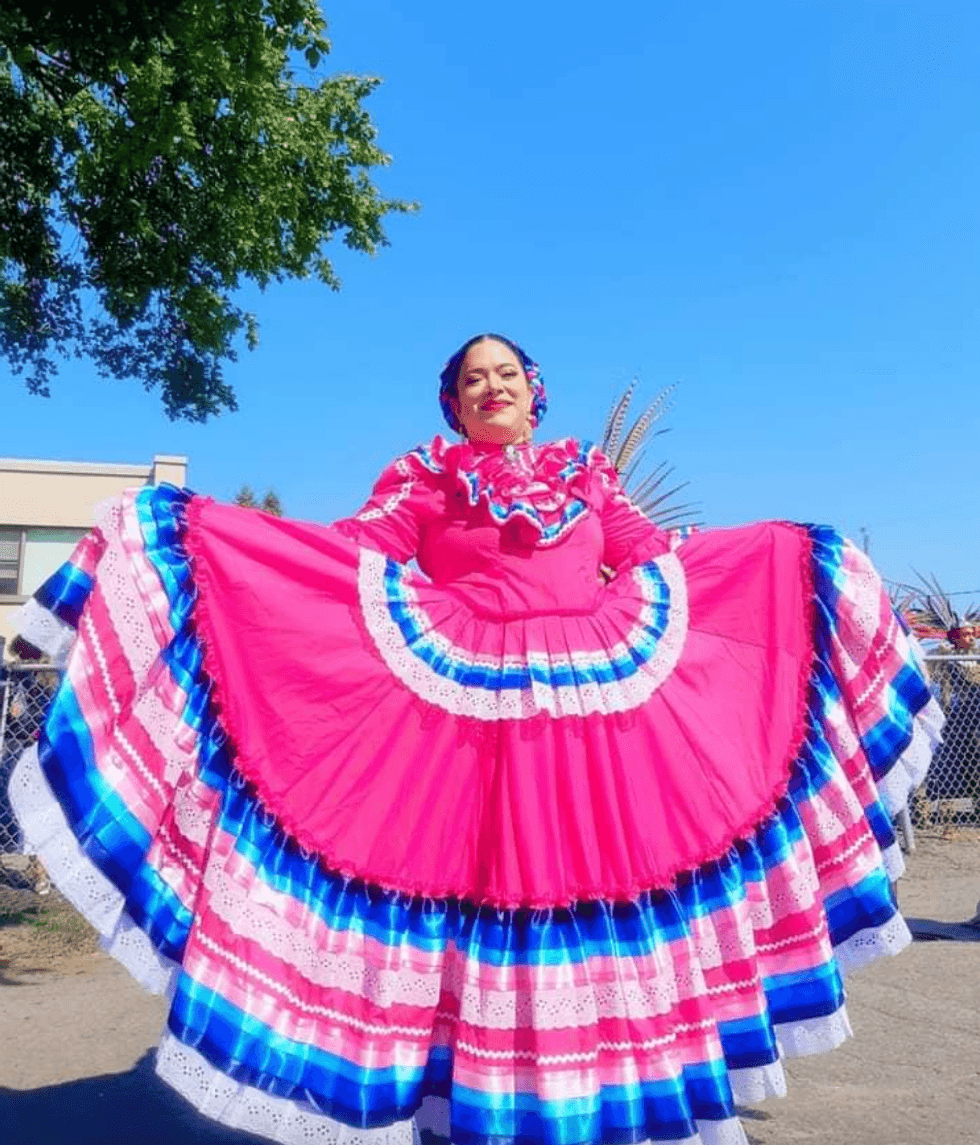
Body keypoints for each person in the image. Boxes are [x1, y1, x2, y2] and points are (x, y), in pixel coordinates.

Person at [9, 333, 943, 1145]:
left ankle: (597, 1095)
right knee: (473, 885)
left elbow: (652, 552)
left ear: (536, 392)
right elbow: (357, 551)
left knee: (597, 883)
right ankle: (469, 1097)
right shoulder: (427, 476)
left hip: (594, 710)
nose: (491, 386)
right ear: (454, 405)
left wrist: (769, 557)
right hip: (465, 705)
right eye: (472, 380)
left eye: (506, 373)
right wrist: (223, 541)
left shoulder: (586, 472)